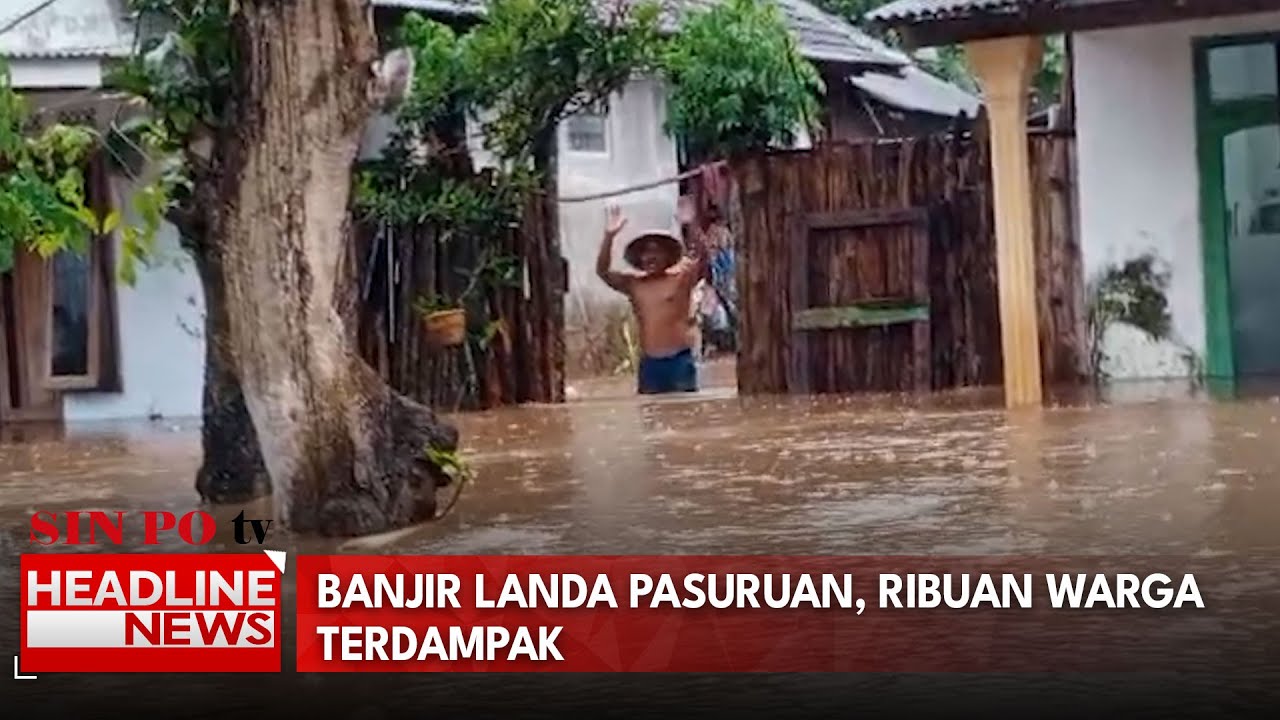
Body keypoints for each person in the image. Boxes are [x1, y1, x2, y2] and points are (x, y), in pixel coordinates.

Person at [596, 204, 707, 394]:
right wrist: (609, 236)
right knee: (650, 416)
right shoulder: (634, 284)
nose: (650, 257)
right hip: (650, 364)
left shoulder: (681, 279)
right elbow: (603, 272)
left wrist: (691, 226)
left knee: (685, 415)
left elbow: (704, 259)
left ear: (667, 256)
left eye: (656, 252)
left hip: (679, 361)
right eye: (646, 253)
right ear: (639, 259)